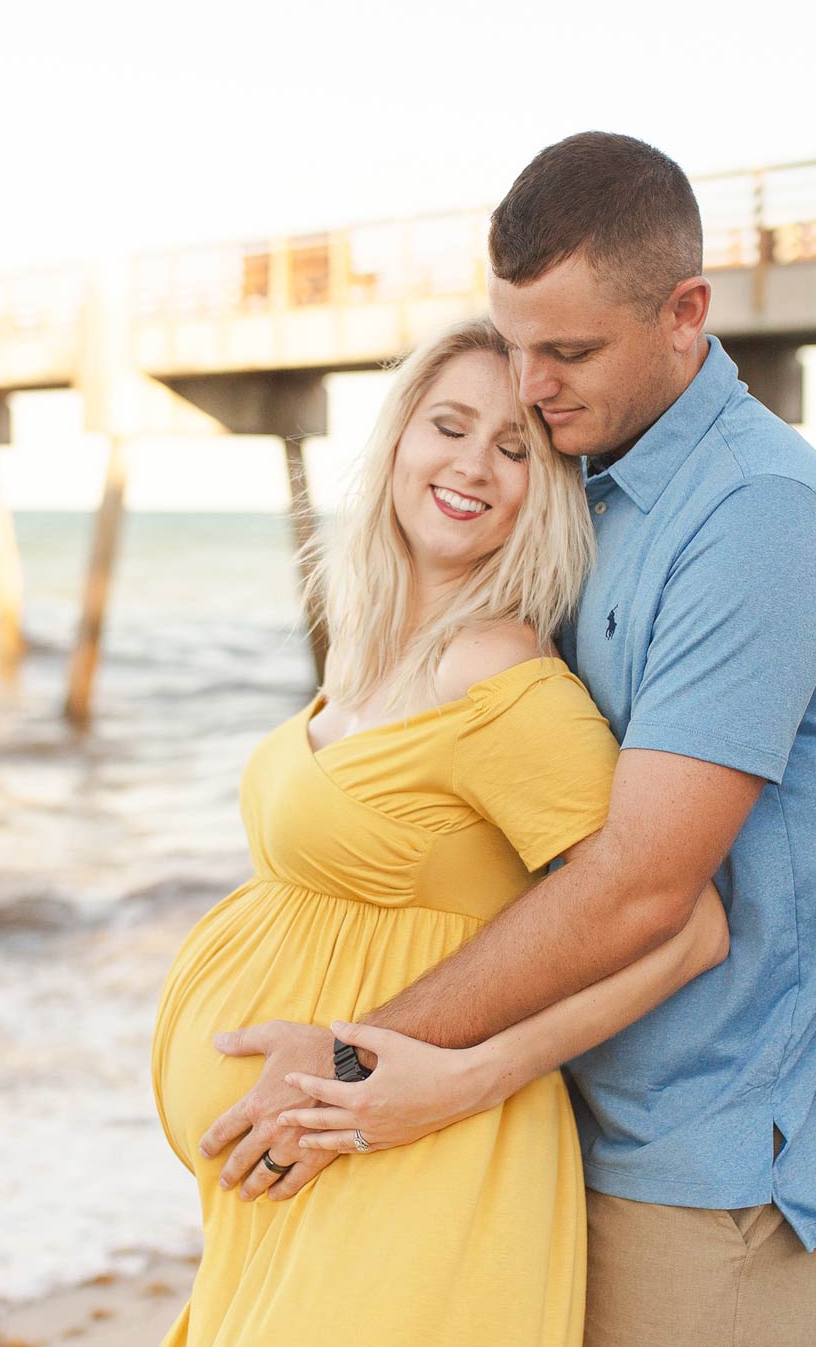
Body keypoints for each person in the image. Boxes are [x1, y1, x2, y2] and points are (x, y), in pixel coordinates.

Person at [215, 133, 816, 1347]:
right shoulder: (585, 482)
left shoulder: (756, 520)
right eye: (515, 341)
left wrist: (358, 1063)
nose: (529, 385)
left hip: (705, 1154)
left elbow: (643, 888)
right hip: (553, 1110)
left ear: (687, 314)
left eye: (568, 351)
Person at [150, 316, 732, 1346]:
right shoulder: (368, 657)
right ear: (397, 442)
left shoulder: (496, 672)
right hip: (312, 1171)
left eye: (514, 449)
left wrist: (460, 1077)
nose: (474, 466)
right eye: (449, 427)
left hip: (414, 1161)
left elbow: (685, 926)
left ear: (544, 488)